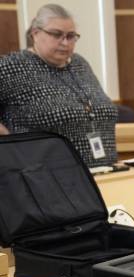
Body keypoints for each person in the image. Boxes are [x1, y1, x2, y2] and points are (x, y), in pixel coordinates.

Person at [0, 4, 117, 168]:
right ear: (35, 33)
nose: (65, 42)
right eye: (57, 34)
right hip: (45, 177)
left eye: (71, 36)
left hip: (105, 170)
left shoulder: (79, 64)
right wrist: (11, 143)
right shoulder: (12, 66)